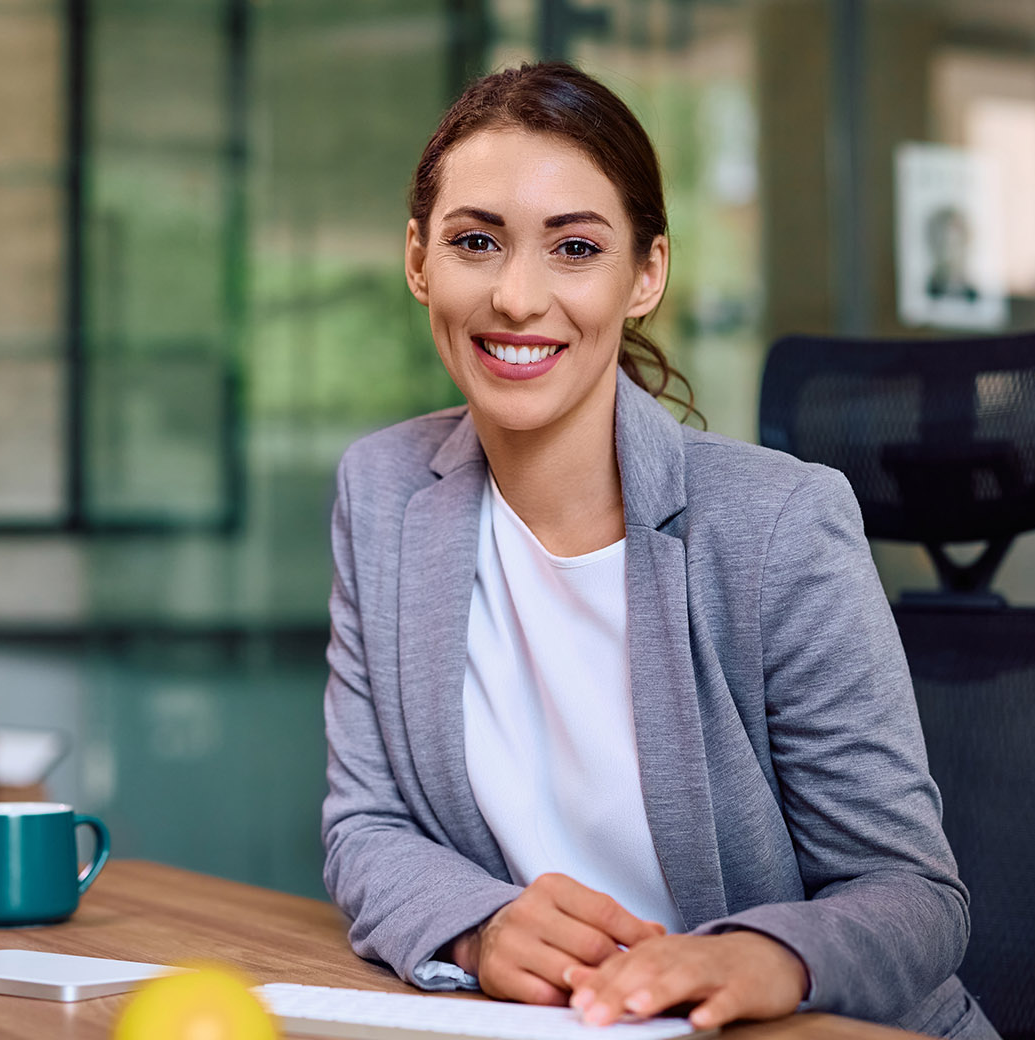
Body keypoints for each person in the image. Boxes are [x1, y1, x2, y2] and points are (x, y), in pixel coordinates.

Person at [320, 62, 996, 1038]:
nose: (516, 296)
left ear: (645, 275)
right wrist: (477, 927)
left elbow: (914, 896)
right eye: (476, 241)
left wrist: (758, 955)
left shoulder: (777, 525)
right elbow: (364, 825)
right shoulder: (380, 492)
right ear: (419, 260)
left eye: (574, 247)